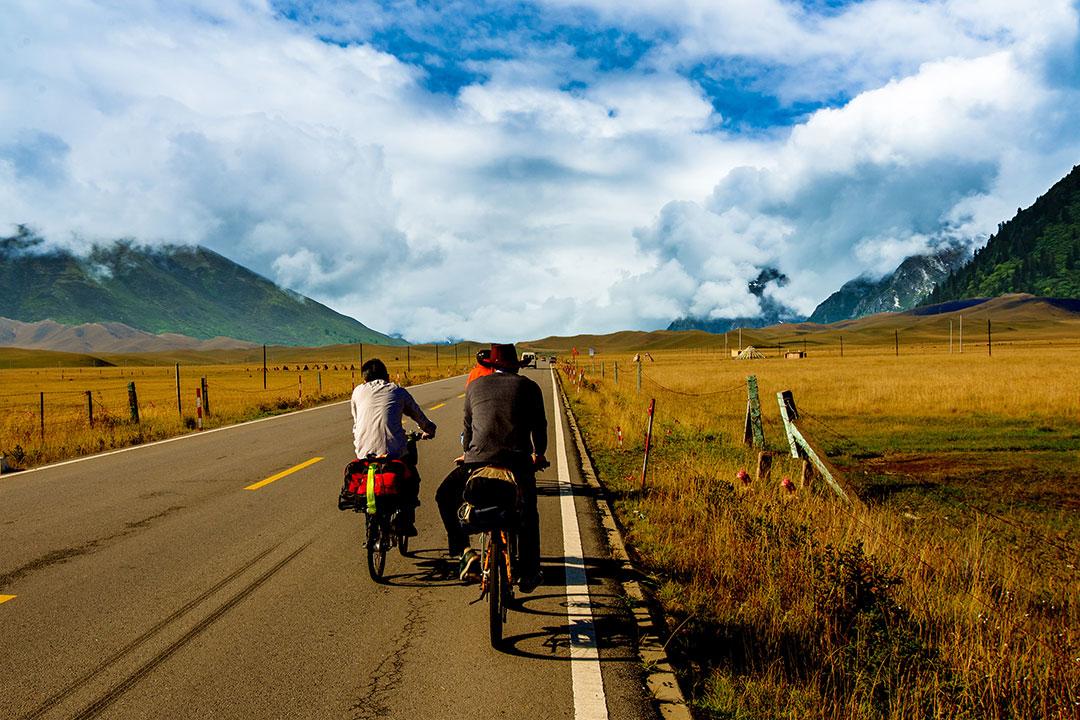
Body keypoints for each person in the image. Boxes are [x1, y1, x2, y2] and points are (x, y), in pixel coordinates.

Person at [436, 343, 547, 590]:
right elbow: (540, 427)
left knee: (444, 495)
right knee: (528, 511)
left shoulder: (475, 385)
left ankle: (464, 551)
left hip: (477, 460)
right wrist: (539, 455)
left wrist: (468, 454)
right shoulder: (529, 386)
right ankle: (528, 571)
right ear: (516, 365)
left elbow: (467, 427)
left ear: (492, 365)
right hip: (516, 463)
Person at [351, 358, 436, 535]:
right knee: (412, 477)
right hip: (393, 452)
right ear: (387, 377)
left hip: (363, 452)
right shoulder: (397, 391)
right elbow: (417, 414)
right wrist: (429, 429)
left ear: (364, 379)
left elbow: (357, 420)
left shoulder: (357, 391)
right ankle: (404, 518)